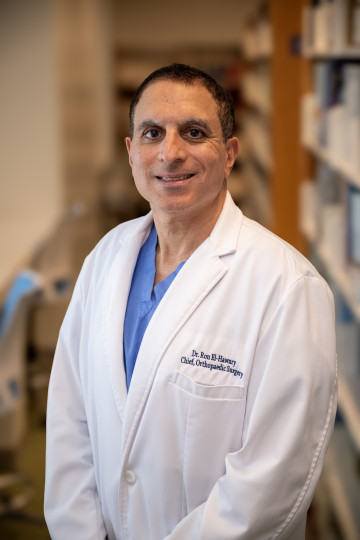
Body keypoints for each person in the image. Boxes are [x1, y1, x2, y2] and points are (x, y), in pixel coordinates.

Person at [44, 64, 337, 540]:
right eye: (152, 133)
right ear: (131, 151)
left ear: (230, 154)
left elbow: (270, 486)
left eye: (194, 132)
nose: (170, 152)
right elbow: (68, 421)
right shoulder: (104, 260)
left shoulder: (287, 288)